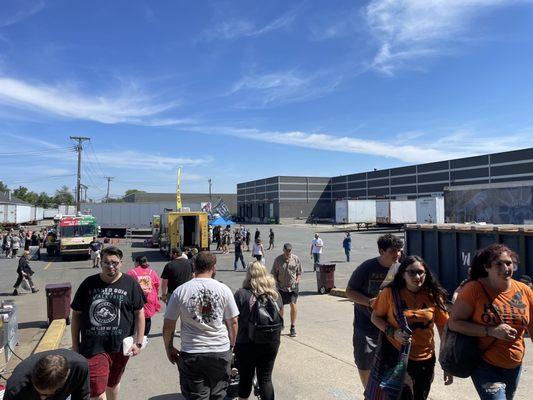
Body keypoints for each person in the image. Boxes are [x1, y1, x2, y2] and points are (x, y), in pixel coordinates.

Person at [449, 244, 533, 400]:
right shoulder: (474, 289)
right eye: (498, 264)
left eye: (508, 263)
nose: (505, 268)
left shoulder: (524, 291)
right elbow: (454, 323)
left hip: (514, 365)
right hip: (484, 363)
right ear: (487, 267)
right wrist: (490, 331)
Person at [370, 255, 452, 399]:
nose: (417, 276)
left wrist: (446, 362)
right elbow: (375, 317)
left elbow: (443, 328)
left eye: (421, 272)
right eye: (412, 272)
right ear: (403, 274)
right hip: (396, 355)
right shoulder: (390, 293)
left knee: (420, 396)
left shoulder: (433, 295)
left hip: (426, 358)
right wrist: (393, 332)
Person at [71, 246, 145, 400]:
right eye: (106, 262)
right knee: (96, 391)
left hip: (120, 346)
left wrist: (138, 342)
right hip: (93, 346)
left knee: (113, 382)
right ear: (100, 263)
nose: (111, 266)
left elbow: (139, 313)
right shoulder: (88, 284)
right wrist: (75, 344)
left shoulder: (130, 283)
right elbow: (76, 314)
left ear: (121, 263)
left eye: (115, 263)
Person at [162, 251, 239, 400]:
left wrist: (169, 348)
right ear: (214, 268)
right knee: (219, 395)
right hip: (220, 350)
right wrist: (232, 347)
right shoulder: (224, 290)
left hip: (192, 352)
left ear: (194, 266)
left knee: (197, 396)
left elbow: (168, 325)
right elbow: (233, 322)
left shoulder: (181, 291)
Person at [345, 233, 404, 388]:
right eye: (392, 251)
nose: (397, 254)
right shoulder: (367, 268)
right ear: (381, 251)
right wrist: (369, 302)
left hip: (391, 325)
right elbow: (350, 291)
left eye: (399, 250)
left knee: (392, 363)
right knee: (364, 359)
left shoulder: (401, 268)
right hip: (366, 326)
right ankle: (369, 392)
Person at [234, 261, 283, 400]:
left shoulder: (241, 294)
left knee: (245, 378)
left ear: (249, 275)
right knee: (266, 378)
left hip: (246, 343)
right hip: (270, 341)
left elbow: (234, 320)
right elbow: (280, 316)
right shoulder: (274, 294)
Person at [4, 349, 90, 400]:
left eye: (46, 395)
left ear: (66, 378)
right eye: (38, 392)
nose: (43, 398)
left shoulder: (79, 368)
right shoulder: (16, 387)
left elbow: (82, 397)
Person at [271, 243, 303, 337]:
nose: (288, 254)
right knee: (281, 307)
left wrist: (297, 281)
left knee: (293, 305)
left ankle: (292, 327)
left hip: (293, 287)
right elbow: (274, 273)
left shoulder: (296, 259)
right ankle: (281, 324)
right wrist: (276, 283)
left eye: (289, 252)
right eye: (286, 252)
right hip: (281, 287)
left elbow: (299, 272)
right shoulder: (278, 260)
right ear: (283, 250)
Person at [127, 255, 161, 336]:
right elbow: (157, 285)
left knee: (135, 316)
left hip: (136, 298)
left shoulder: (132, 272)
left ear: (138, 262)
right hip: (149, 298)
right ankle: (145, 336)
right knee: (147, 317)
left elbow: (127, 285)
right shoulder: (151, 272)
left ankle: (135, 335)